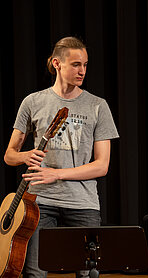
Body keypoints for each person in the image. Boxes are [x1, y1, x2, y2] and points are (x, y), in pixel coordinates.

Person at [4, 36, 119, 277]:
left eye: (85, 65)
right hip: (39, 203)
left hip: (83, 204)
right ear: (57, 64)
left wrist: (56, 173)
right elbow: (9, 156)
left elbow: (102, 165)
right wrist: (25, 156)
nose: (82, 71)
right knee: (34, 272)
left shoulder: (98, 106)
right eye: (76, 64)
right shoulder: (33, 102)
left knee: (88, 274)